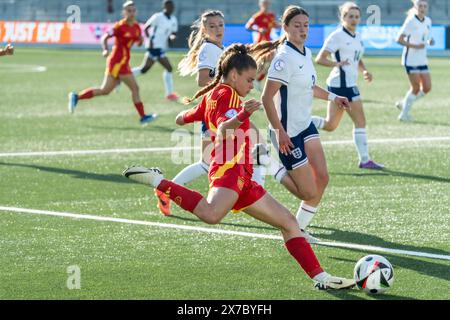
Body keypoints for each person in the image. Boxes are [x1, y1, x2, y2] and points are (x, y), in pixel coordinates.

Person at [123, 44, 355, 290]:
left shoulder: (214, 95)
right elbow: (224, 129)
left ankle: (322, 278)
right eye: (249, 80)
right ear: (233, 75)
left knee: (289, 223)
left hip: (243, 175)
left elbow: (182, 118)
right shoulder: (228, 96)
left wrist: (193, 115)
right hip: (229, 169)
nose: (251, 86)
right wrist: (243, 115)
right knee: (211, 214)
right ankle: (159, 182)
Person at [153, 10, 274, 216]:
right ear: (204, 29)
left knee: (256, 145)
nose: (217, 29)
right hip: (216, 113)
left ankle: (254, 190)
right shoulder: (209, 50)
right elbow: (202, 81)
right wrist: (224, 88)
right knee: (211, 161)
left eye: (220, 25)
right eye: (212, 26)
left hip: (225, 110)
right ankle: (166, 189)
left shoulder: (218, 48)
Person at [254, 5, 350, 243]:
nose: (302, 30)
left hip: (305, 125)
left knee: (323, 178)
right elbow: (266, 98)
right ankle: (268, 163)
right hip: (286, 132)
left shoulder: (305, 53)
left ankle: (300, 230)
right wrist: (280, 132)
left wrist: (333, 97)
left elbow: (309, 87)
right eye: (297, 25)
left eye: (306, 25)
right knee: (307, 191)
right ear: (285, 28)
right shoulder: (283, 60)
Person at [312, 2, 384, 170]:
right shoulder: (337, 36)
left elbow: (357, 58)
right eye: (350, 16)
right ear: (343, 17)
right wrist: (337, 63)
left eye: (357, 16)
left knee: (331, 125)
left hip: (351, 84)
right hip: (339, 85)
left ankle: (304, 122)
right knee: (357, 122)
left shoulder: (357, 36)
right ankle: (365, 160)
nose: (354, 19)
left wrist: (364, 70)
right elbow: (320, 58)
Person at [68, 1, 157, 126]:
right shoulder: (119, 26)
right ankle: (143, 117)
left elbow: (138, 42)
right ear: (124, 12)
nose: (132, 13)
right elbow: (105, 37)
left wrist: (141, 41)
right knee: (135, 88)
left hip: (122, 62)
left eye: (133, 10)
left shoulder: (136, 27)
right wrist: (105, 49)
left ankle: (76, 97)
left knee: (105, 90)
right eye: (129, 11)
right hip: (117, 62)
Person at [132, 0, 179, 101]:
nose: (171, 8)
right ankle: (169, 94)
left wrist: (172, 37)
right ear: (165, 6)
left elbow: (173, 33)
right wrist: (150, 40)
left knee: (144, 69)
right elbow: (146, 28)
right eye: (169, 6)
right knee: (169, 67)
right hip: (154, 46)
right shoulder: (158, 16)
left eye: (172, 6)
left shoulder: (174, 19)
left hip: (161, 47)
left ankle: (124, 75)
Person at [395, 0, 433, 121]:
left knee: (427, 87)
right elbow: (399, 39)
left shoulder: (428, 21)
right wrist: (414, 46)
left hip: (422, 58)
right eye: (420, 6)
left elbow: (425, 38)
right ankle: (403, 115)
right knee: (415, 88)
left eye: (424, 6)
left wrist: (429, 41)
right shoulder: (411, 21)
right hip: (410, 59)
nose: (422, 8)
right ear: (415, 7)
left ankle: (404, 103)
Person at [245, 0, 279, 91]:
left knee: (271, 63)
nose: (266, 5)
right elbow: (248, 26)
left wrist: (281, 25)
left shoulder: (271, 15)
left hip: (269, 43)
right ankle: (253, 79)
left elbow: (274, 25)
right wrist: (259, 29)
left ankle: (257, 80)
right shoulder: (257, 16)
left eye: (267, 3)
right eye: (264, 3)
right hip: (260, 43)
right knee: (261, 63)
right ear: (261, 5)